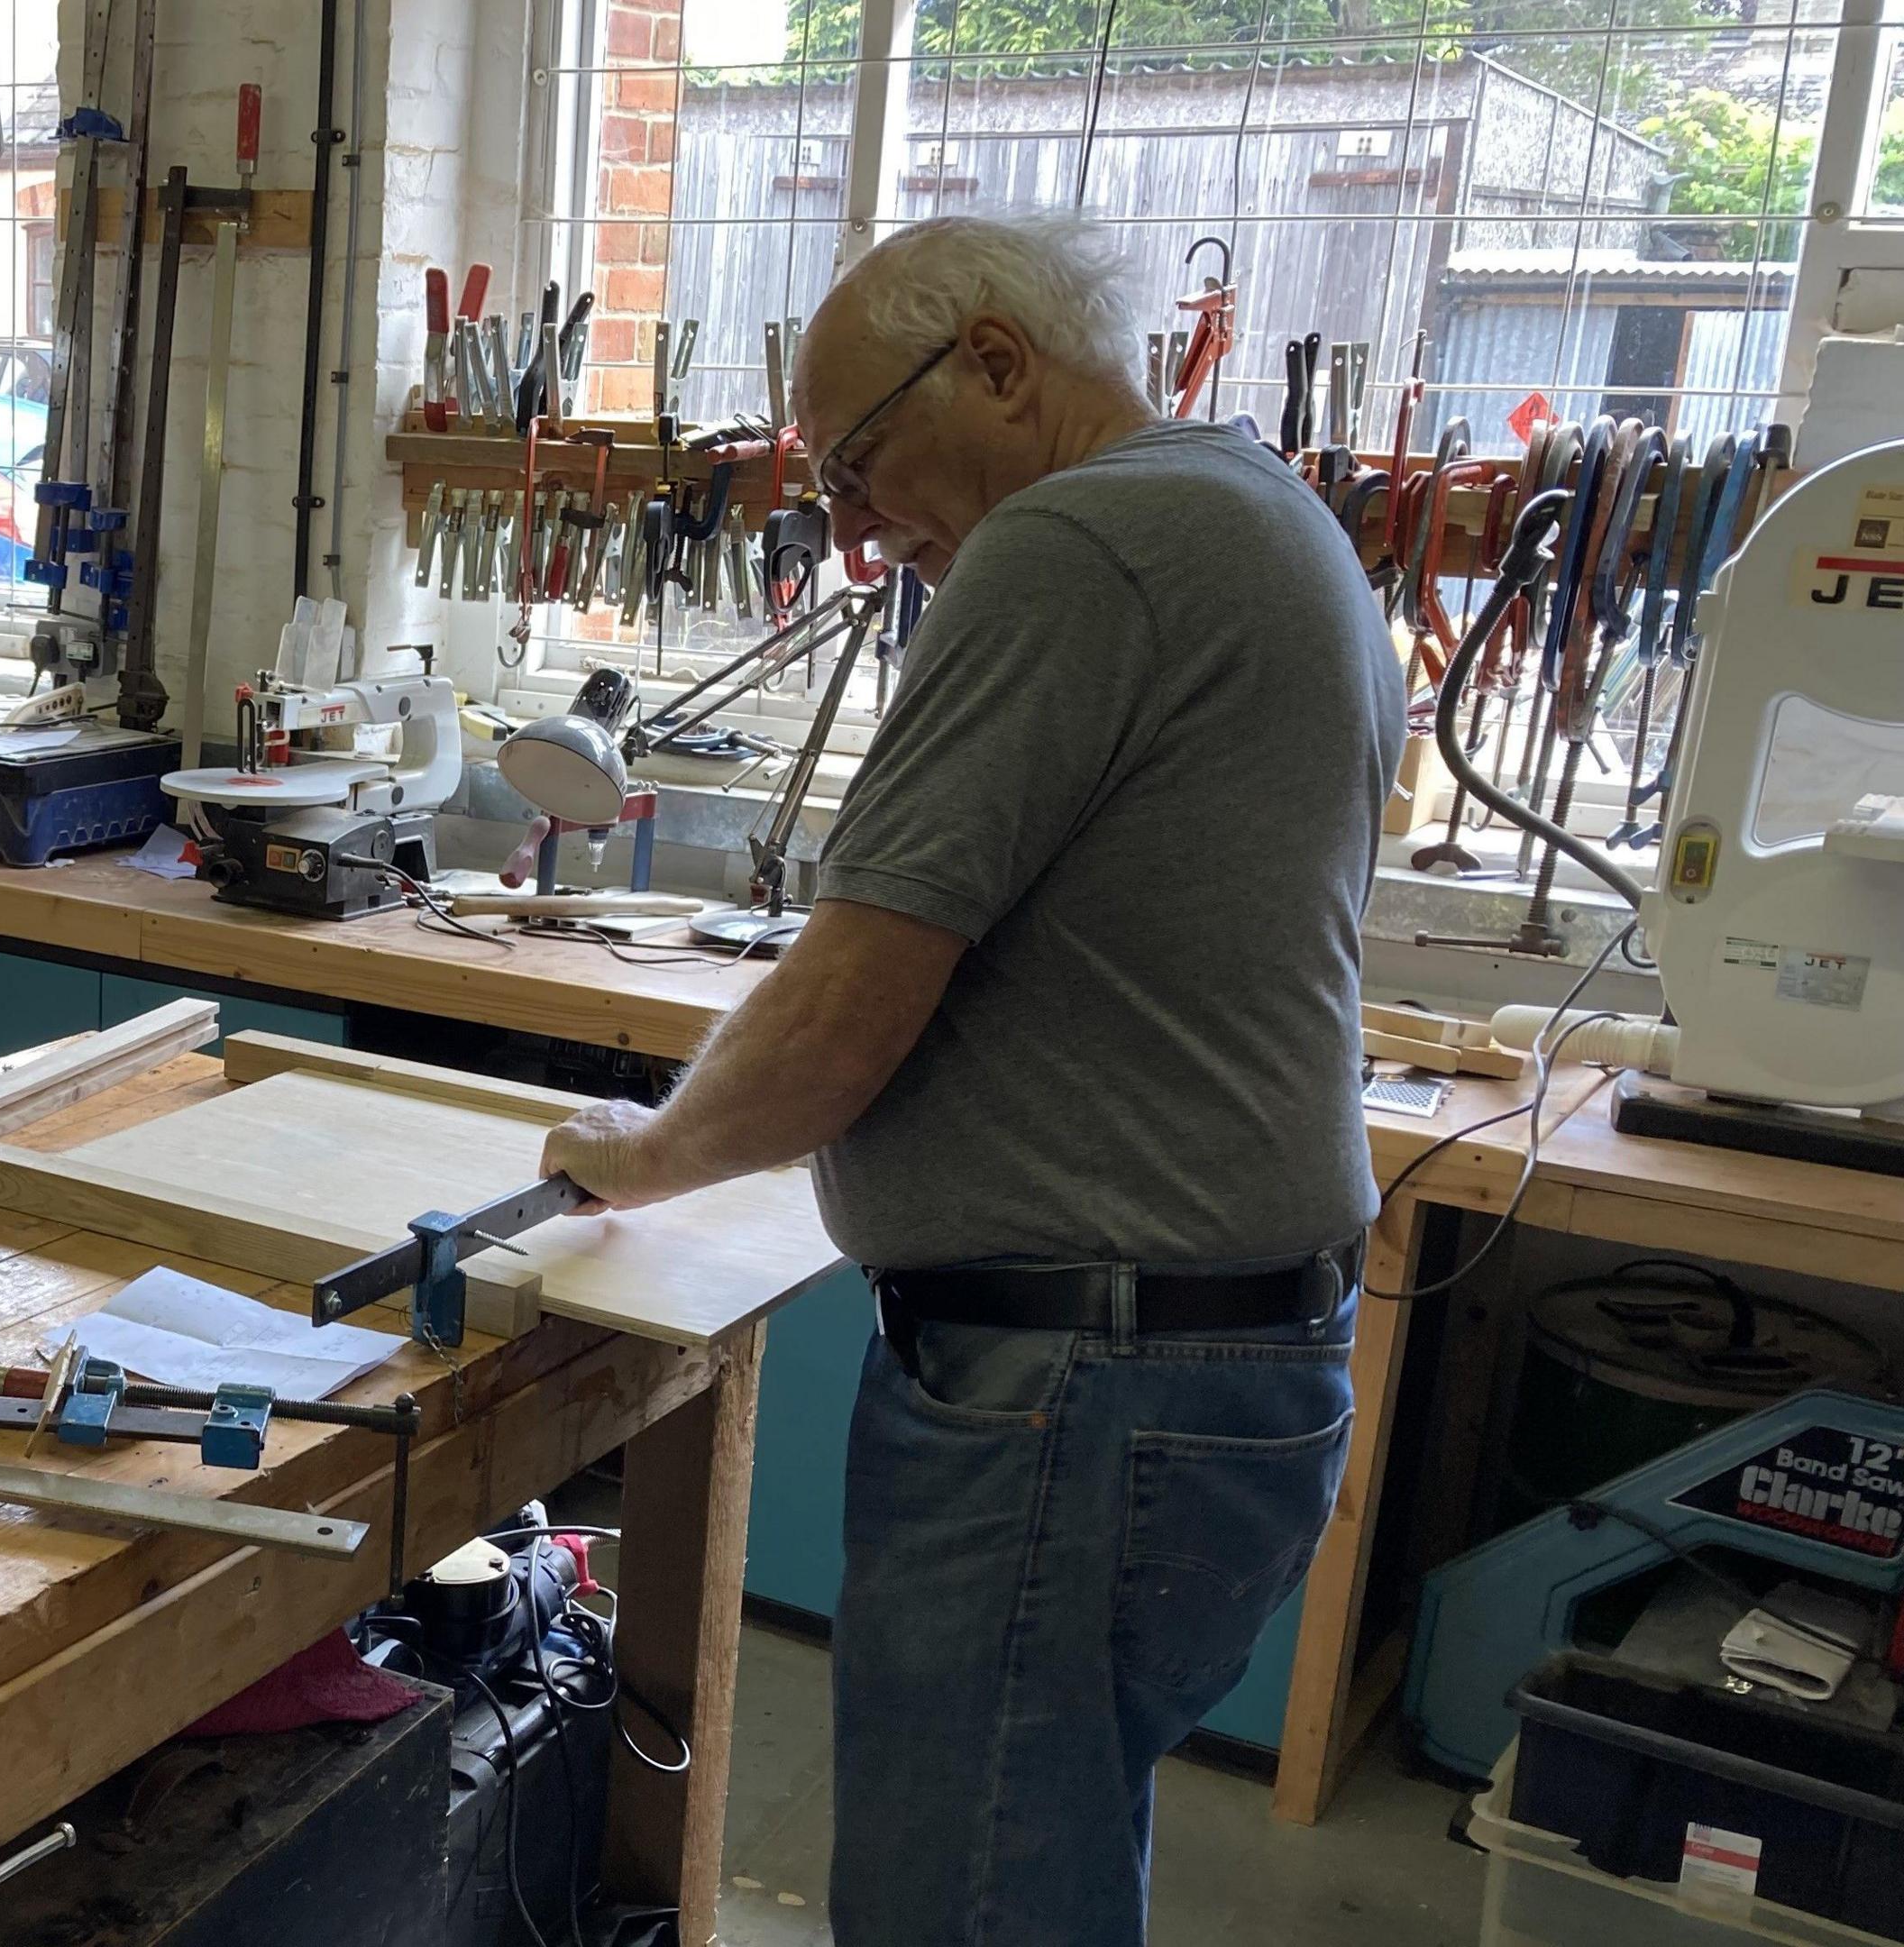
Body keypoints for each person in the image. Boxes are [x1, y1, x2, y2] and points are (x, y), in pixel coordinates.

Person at [536, 211, 1404, 1943]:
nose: (854, 540)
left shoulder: (1082, 542)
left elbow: (856, 988)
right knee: (1047, 1864)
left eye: (858, 468)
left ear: (998, 364)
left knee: (969, 1906)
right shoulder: (1264, 512)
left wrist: (649, 1152)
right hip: (1216, 1363)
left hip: (1080, 1389)